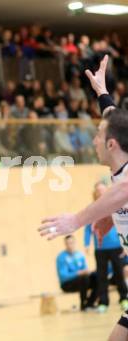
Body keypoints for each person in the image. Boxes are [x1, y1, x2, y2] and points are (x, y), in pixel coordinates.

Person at [38, 55, 128, 341]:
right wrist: (101, 91)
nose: (93, 141)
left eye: (98, 135)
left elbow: (124, 191)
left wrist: (77, 220)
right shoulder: (122, 153)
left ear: (111, 144)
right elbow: (113, 117)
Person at [84, 181, 128, 313]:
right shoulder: (92, 208)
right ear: (95, 193)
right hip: (100, 248)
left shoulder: (115, 205)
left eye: (103, 190)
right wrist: (86, 244)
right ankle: (103, 302)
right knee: (101, 276)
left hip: (116, 247)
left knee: (119, 273)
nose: (101, 192)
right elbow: (87, 228)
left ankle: (124, 299)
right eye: (98, 190)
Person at [56, 235, 97, 311]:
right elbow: (63, 276)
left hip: (82, 281)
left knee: (97, 276)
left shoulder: (80, 255)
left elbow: (85, 269)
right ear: (65, 244)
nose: (70, 245)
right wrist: (78, 273)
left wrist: (89, 272)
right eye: (67, 243)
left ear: (75, 243)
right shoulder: (61, 257)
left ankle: (90, 303)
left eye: (71, 243)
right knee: (83, 278)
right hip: (67, 284)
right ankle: (83, 304)